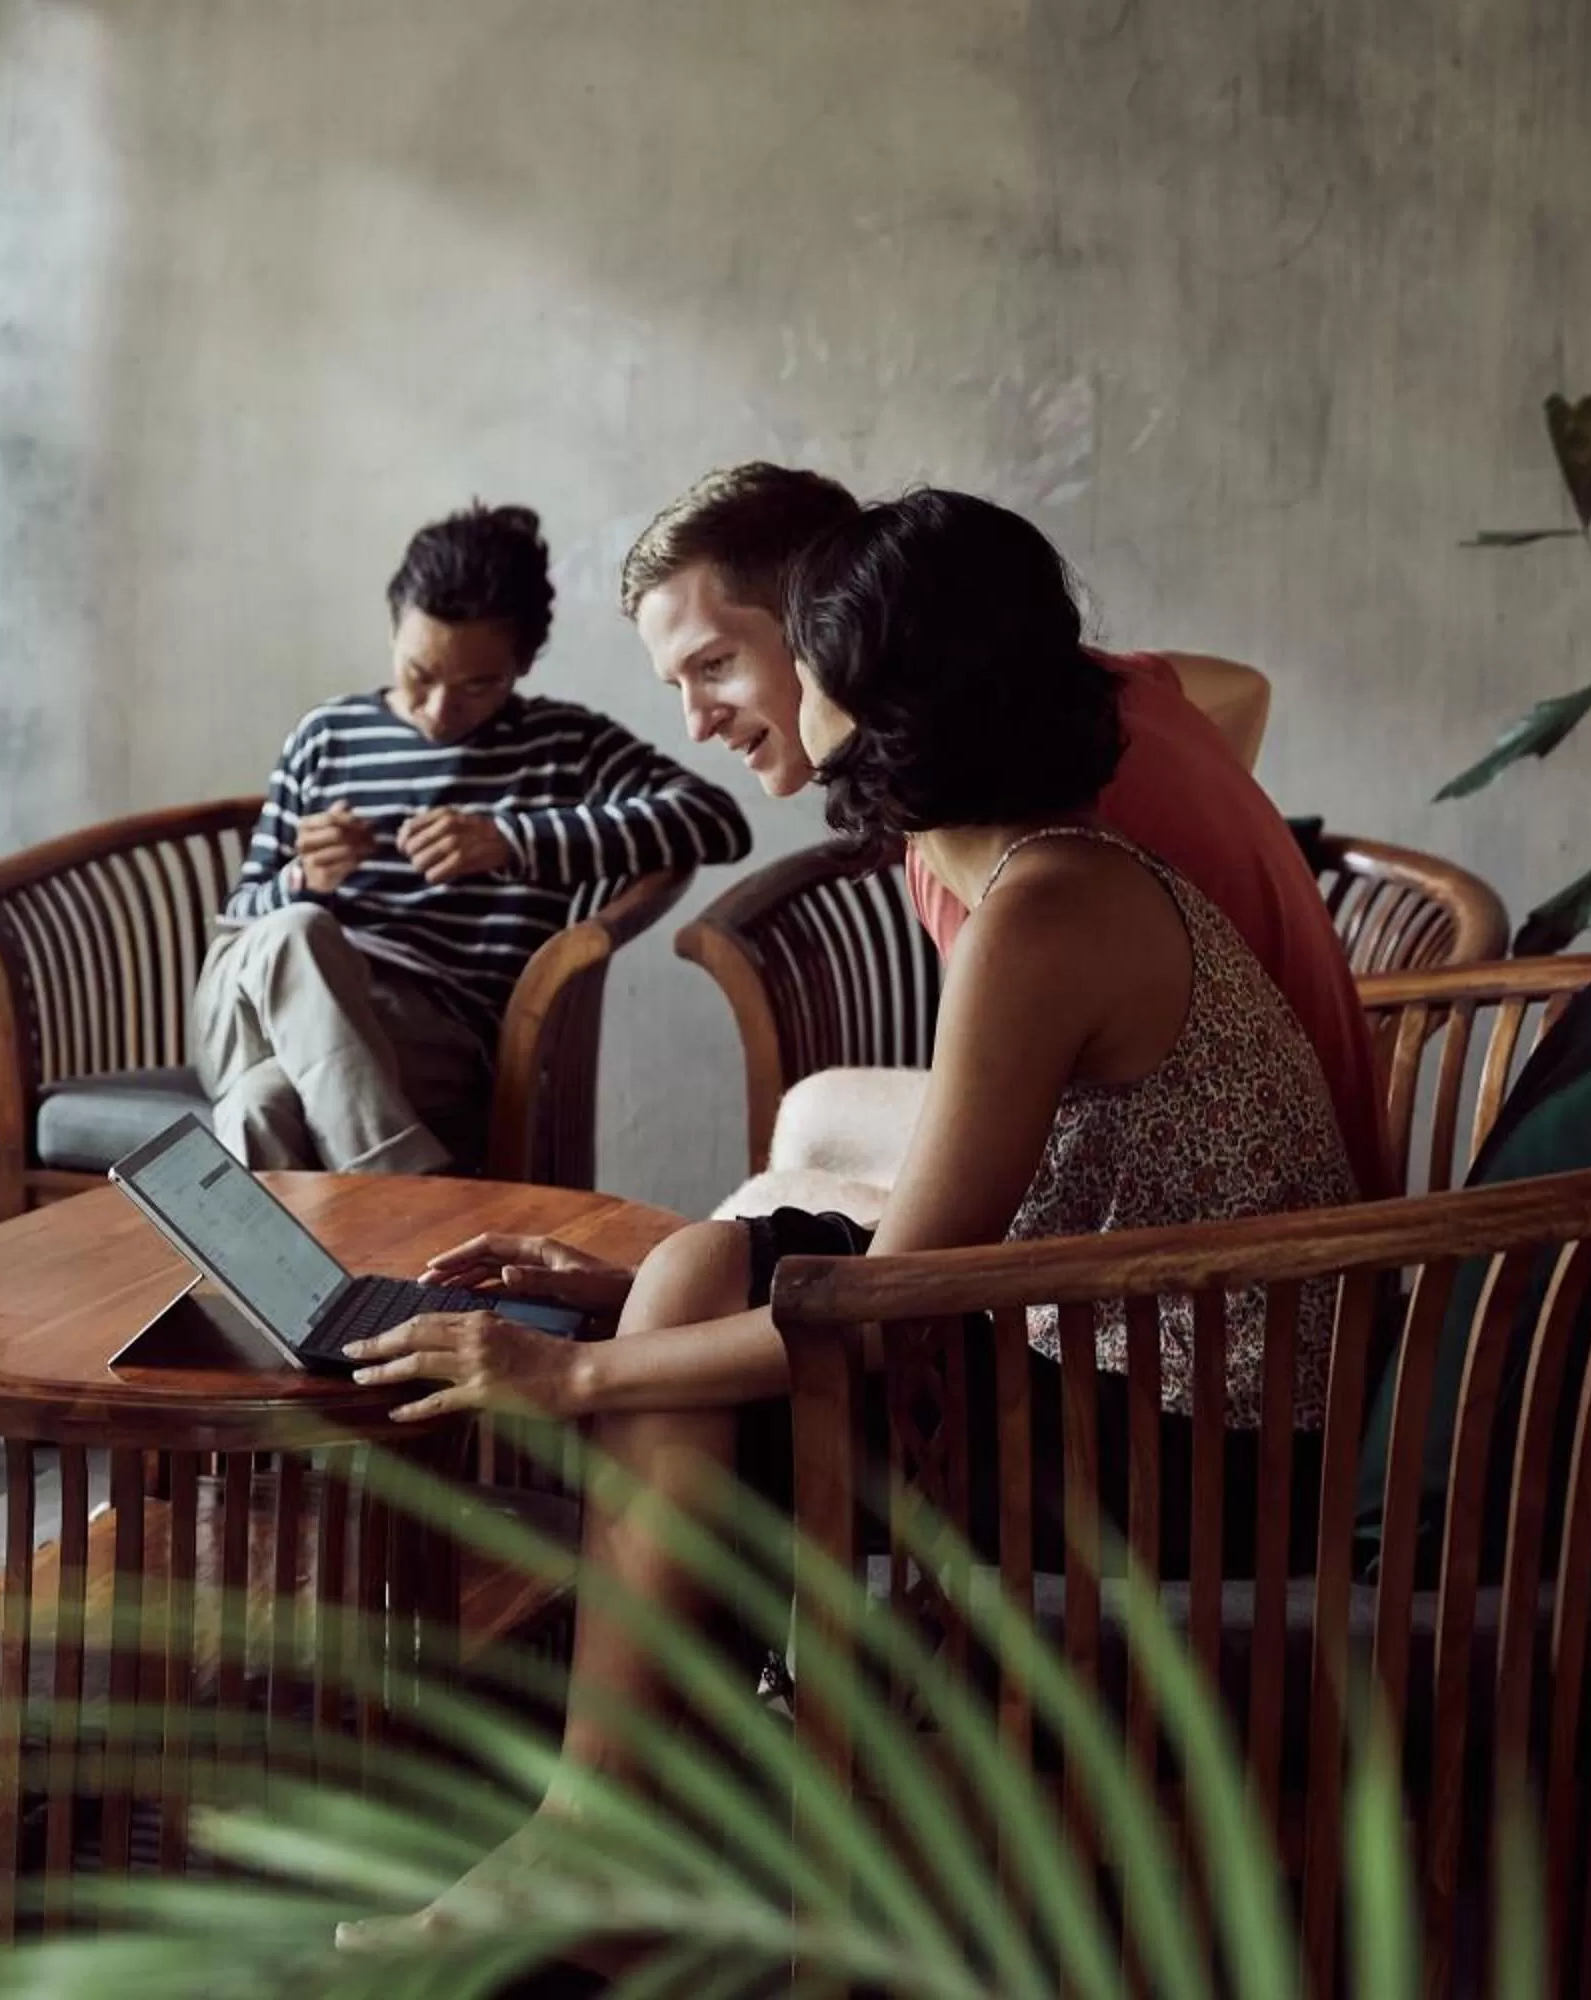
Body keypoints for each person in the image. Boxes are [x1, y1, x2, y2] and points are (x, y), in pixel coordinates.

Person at [337, 490, 1359, 1950]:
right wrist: (636, 1286)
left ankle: (600, 1823)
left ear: (887, 686)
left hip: (1205, 1444)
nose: (761, 694)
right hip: (1140, 1341)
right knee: (695, 1268)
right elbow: (957, 1226)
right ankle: (642, 1797)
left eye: (793, 655)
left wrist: (574, 1373)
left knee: (691, 1331)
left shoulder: (1043, 908)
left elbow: (894, 1298)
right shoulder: (1036, 869)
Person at [615, 462, 1389, 1217]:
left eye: (715, 664)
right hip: (1309, 1154)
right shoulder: (1079, 697)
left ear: (828, 614)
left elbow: (930, 1265)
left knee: (747, 1226)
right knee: (817, 1115)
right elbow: (1241, 687)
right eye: (676, 683)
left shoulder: (1001, 837)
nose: (696, 719)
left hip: (1265, 1238)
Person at [195, 502, 752, 1175]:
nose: (439, 710)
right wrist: (297, 880)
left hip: (430, 1032)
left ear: (523, 664)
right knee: (296, 930)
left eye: (477, 685)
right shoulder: (326, 736)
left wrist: (512, 841)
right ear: (393, 628)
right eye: (419, 675)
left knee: (261, 1107)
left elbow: (715, 819)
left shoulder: (564, 746)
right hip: (250, 1009)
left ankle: (304, 1281)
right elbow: (241, 915)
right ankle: (407, 1194)